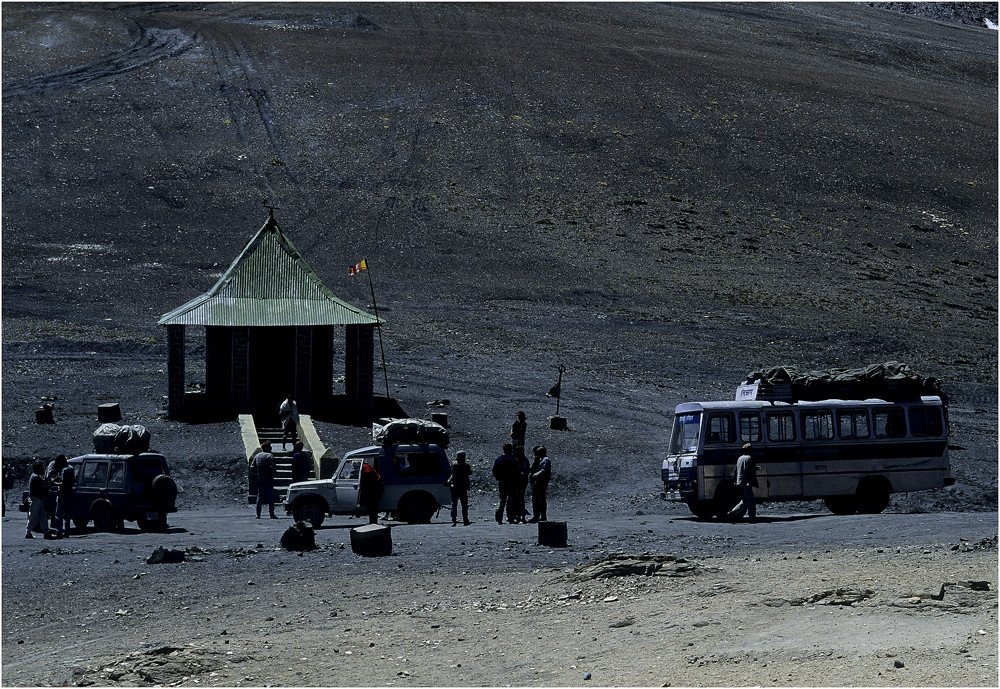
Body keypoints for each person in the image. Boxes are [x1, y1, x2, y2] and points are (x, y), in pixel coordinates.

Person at [727, 443, 759, 522]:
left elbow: (736, 470)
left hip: (740, 481)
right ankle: (733, 512)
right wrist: (750, 481)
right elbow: (749, 471)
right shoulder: (749, 458)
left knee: (751, 501)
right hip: (746, 482)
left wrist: (734, 480)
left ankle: (752, 517)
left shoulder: (740, 458)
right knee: (746, 500)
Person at [25, 460, 54, 539]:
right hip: (35, 499)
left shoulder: (35, 476)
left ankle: (46, 532)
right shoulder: (36, 477)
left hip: (38, 499)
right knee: (33, 517)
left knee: (43, 516)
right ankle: (28, 533)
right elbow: (42, 487)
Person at [491, 444, 519, 524]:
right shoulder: (514, 460)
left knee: (502, 499)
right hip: (512, 482)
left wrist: (498, 478)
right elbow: (517, 471)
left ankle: (499, 517)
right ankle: (510, 517)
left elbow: (494, 470)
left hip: (502, 482)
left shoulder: (499, 459)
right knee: (511, 500)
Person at [50, 455, 75, 538]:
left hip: (63, 493)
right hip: (70, 493)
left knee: (58, 513)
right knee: (67, 514)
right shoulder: (71, 468)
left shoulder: (64, 470)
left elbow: (63, 482)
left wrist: (54, 482)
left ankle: (59, 532)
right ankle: (66, 531)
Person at [447, 451, 473, 526]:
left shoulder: (454, 465)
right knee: (464, 505)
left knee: (454, 504)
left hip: (454, 487)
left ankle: (454, 520)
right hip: (463, 487)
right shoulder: (466, 466)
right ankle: (465, 520)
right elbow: (470, 473)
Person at [253, 442, 277, 519]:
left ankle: (258, 514)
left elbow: (252, 466)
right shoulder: (269, 456)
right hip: (268, 478)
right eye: (270, 447)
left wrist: (257, 473)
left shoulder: (257, 455)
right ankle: (271, 514)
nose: (271, 448)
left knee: (260, 496)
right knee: (270, 496)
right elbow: (273, 467)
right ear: (266, 448)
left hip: (260, 478)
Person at [528, 445, 552, 523]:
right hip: (537, 483)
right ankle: (537, 515)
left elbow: (544, 470)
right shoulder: (539, 460)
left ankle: (542, 516)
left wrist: (535, 475)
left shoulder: (546, 460)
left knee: (540, 500)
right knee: (536, 500)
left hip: (541, 483)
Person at [359, 460, 384, 524]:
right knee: (372, 507)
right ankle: (372, 522)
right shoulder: (366, 466)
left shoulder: (365, 467)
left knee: (373, 507)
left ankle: (373, 523)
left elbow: (368, 473)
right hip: (374, 487)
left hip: (376, 488)